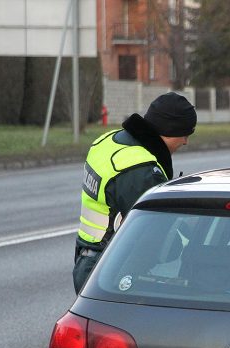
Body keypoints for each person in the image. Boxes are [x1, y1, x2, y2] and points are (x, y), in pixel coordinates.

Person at [73, 92, 197, 293]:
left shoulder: (106, 142)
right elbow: (154, 236)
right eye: (185, 134)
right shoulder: (141, 171)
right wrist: (191, 244)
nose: (186, 142)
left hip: (87, 258)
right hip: (112, 268)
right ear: (170, 130)